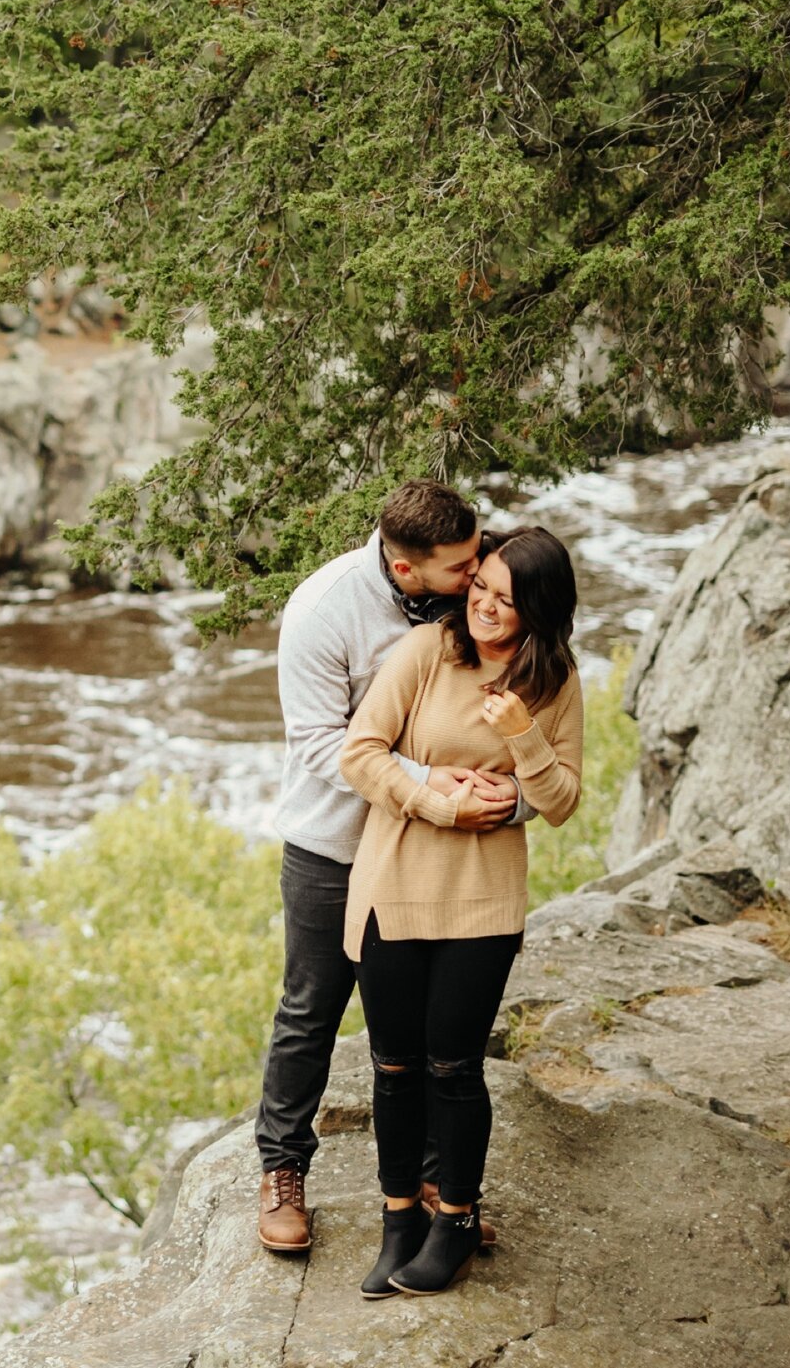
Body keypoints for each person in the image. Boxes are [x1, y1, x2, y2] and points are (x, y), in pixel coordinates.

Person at [255, 481, 521, 1254]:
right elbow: (317, 745)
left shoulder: (476, 590)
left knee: (426, 1029)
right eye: (461, 568)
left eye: (478, 557)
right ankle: (282, 1169)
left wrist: (510, 796)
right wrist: (426, 782)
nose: (478, 578)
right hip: (336, 845)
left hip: (437, 854)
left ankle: (437, 1182)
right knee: (311, 1010)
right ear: (406, 572)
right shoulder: (321, 609)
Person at [339, 525, 585, 1299]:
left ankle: (456, 1222)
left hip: (481, 902)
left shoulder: (553, 680)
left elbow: (561, 802)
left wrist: (522, 741)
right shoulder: (427, 653)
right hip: (395, 885)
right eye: (480, 588)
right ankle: (399, 1218)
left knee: (454, 1067)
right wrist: (438, 801)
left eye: (505, 600)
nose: (483, 605)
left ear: (537, 609)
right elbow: (360, 751)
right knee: (393, 1066)